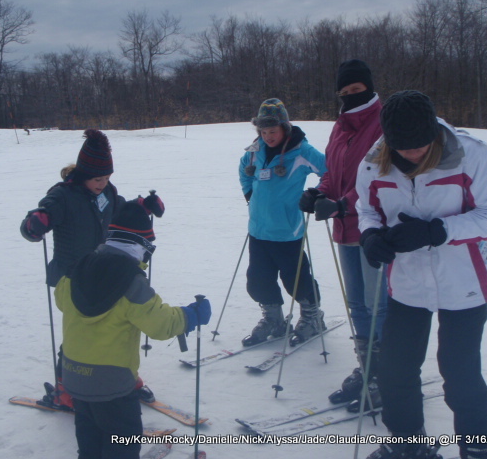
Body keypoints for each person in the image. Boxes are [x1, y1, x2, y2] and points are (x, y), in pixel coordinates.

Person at [356, 91, 487, 459]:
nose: (413, 154)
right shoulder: (374, 163)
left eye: (421, 145)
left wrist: (437, 231)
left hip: (464, 282)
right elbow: (367, 209)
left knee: (460, 373)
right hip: (407, 284)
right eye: (403, 148)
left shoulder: (473, 156)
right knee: (395, 370)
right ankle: (408, 443)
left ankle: (480, 449)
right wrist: (371, 235)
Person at [20, 129, 165, 410]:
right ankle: (66, 389)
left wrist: (142, 205)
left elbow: (119, 208)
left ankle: (125, 377)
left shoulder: (107, 192)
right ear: (84, 174)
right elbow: (37, 220)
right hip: (71, 279)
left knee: (117, 329)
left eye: (107, 178)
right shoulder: (62, 196)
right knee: (80, 334)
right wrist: (34, 224)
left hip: (102, 271)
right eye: (98, 178)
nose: (103, 183)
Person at [55, 202, 211, 459]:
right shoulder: (130, 281)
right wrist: (191, 315)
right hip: (113, 385)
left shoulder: (77, 269)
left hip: (74, 377)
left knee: (89, 436)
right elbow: (160, 324)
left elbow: (61, 300)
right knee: (122, 440)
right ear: (142, 247)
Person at [299, 60, 388, 408]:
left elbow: (382, 178)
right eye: (345, 91)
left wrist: (341, 204)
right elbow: (334, 173)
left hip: (373, 227)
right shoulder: (340, 125)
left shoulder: (384, 122)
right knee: (358, 305)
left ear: (368, 86)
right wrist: (320, 192)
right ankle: (367, 369)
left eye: (357, 90)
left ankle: (385, 376)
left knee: (377, 305)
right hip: (344, 227)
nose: (352, 96)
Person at [239, 98, 327, 347]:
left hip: (288, 231)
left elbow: (329, 171)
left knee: (296, 279)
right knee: (258, 279)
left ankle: (313, 317)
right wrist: (250, 196)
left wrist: (316, 194)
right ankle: (274, 319)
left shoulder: (301, 151)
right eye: (263, 131)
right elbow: (243, 170)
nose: (268, 136)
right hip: (258, 230)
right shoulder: (255, 152)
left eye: (273, 131)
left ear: (285, 128)